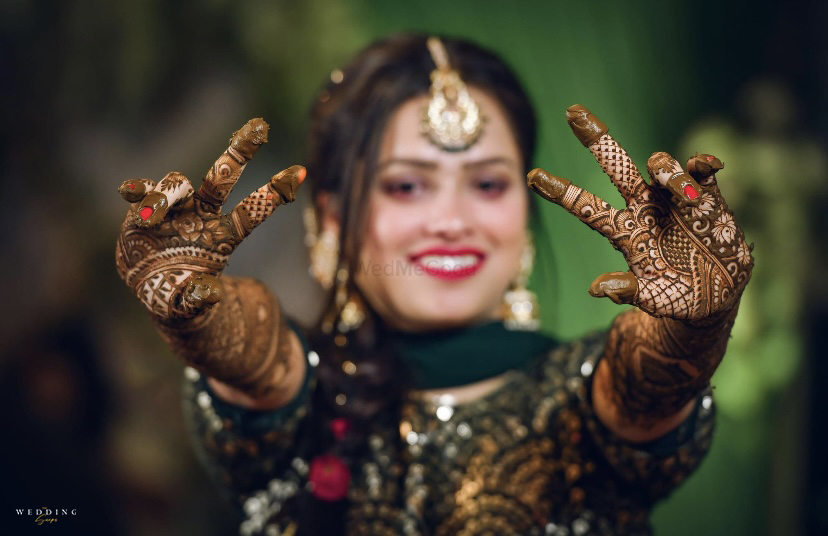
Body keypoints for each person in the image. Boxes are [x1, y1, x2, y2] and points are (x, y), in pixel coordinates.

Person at [115, 34, 753, 535]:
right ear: (333, 219)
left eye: (488, 183)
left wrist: (693, 328)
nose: (453, 221)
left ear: (524, 219)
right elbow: (251, 354)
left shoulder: (592, 399)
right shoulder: (299, 392)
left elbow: (650, 383)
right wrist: (194, 312)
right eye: (406, 185)